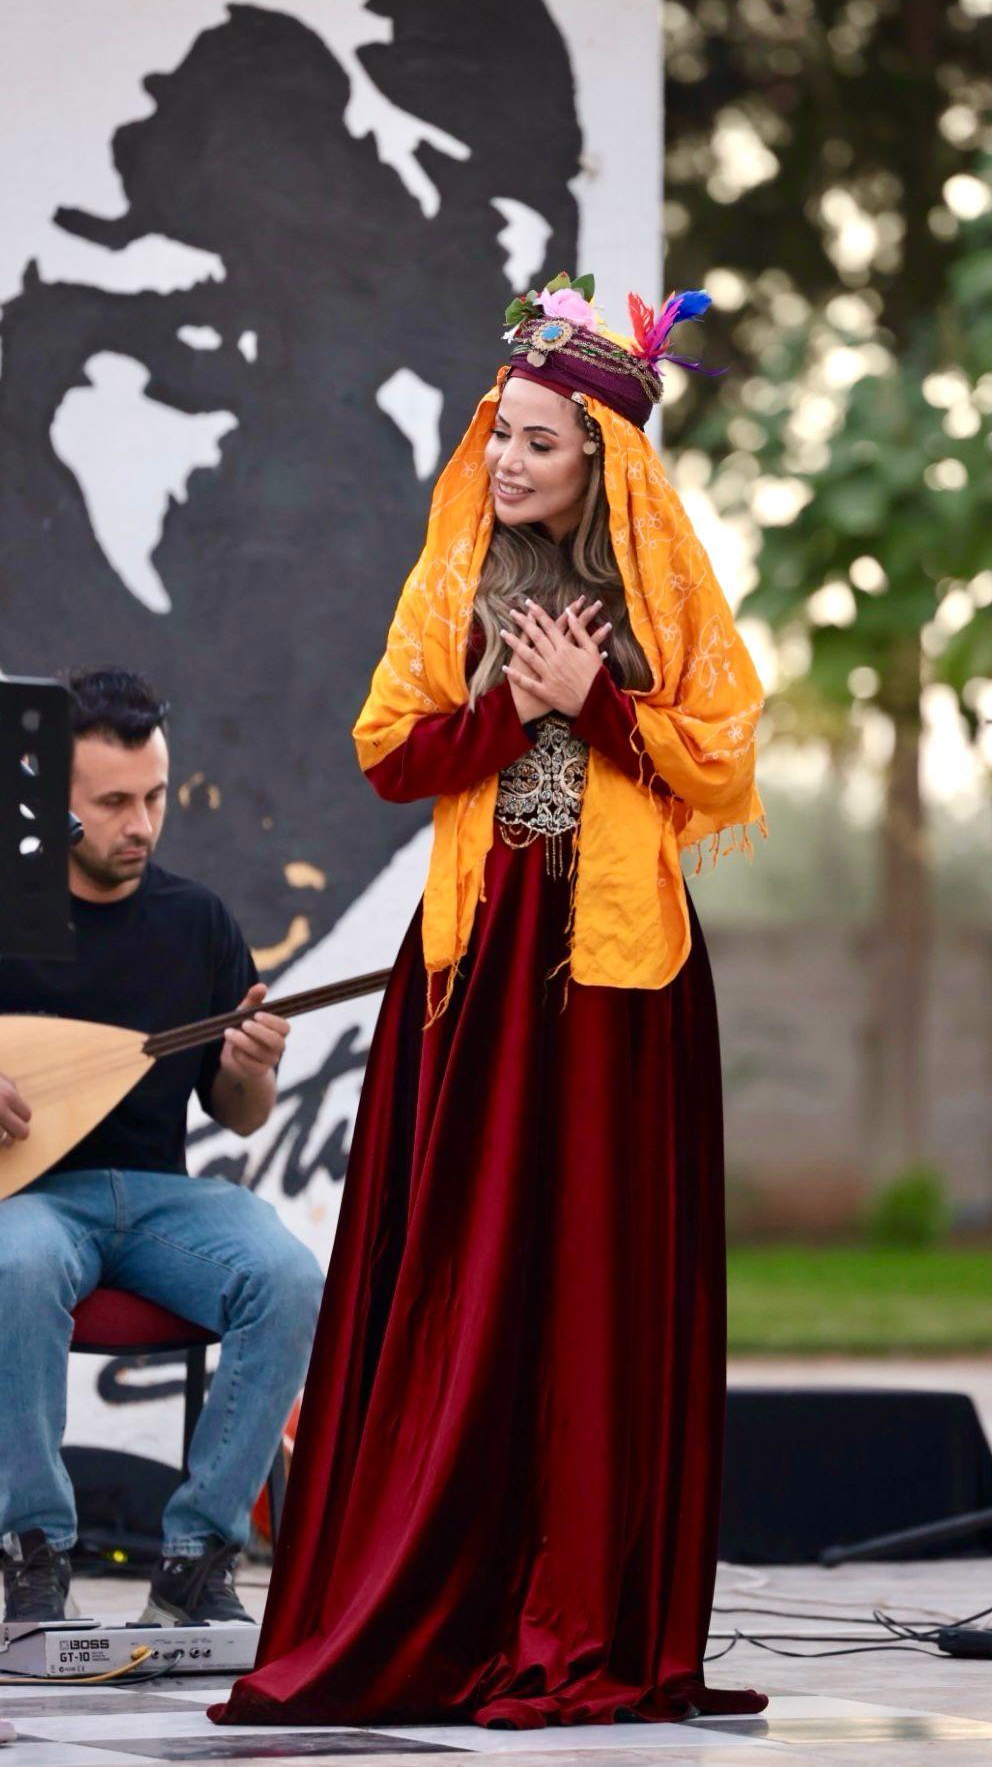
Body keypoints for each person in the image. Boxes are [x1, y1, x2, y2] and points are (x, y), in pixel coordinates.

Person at [215, 278, 768, 1728]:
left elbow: (720, 759)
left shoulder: (659, 588)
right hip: (478, 969)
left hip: (623, 979)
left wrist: (596, 698)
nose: (506, 460)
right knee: (465, 1266)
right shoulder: (457, 565)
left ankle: (592, 1611)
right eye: (500, 433)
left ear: (598, 457)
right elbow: (390, 753)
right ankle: (443, 1588)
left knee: (597, 1274)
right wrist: (513, 707)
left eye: (535, 440)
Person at [0, 670, 324, 1627]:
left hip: (158, 1200)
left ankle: (198, 1559)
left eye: (155, 797)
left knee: (287, 1273)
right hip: (33, 1200)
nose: (140, 825)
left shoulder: (197, 920)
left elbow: (242, 1114)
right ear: (54, 801)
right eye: (112, 803)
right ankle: (33, 1552)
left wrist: (251, 1066)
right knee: (16, 1263)